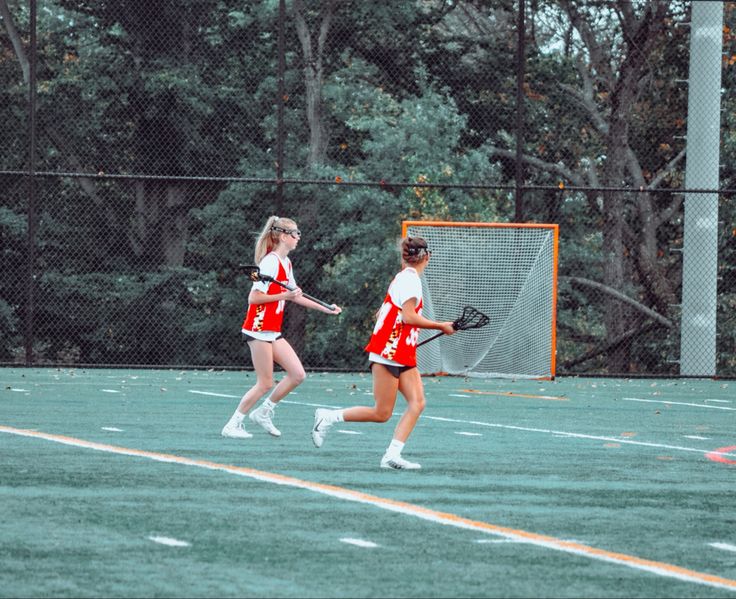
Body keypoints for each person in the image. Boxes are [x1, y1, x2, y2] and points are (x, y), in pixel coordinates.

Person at [310, 236, 455, 469]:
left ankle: (391, 456)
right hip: (388, 351)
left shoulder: (404, 278)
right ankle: (328, 417)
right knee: (381, 412)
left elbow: (383, 313)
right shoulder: (410, 281)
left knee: (417, 403)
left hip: (401, 351)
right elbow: (408, 317)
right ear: (426, 257)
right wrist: (441, 325)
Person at [221, 215, 342, 439]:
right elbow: (254, 298)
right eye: (295, 233)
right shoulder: (269, 262)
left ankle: (264, 412)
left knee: (297, 374)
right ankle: (233, 424)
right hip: (258, 329)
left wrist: (325, 309)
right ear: (283, 236)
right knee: (265, 382)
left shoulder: (286, 263)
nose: (298, 237)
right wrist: (284, 294)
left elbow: (296, 296)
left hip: (272, 330)